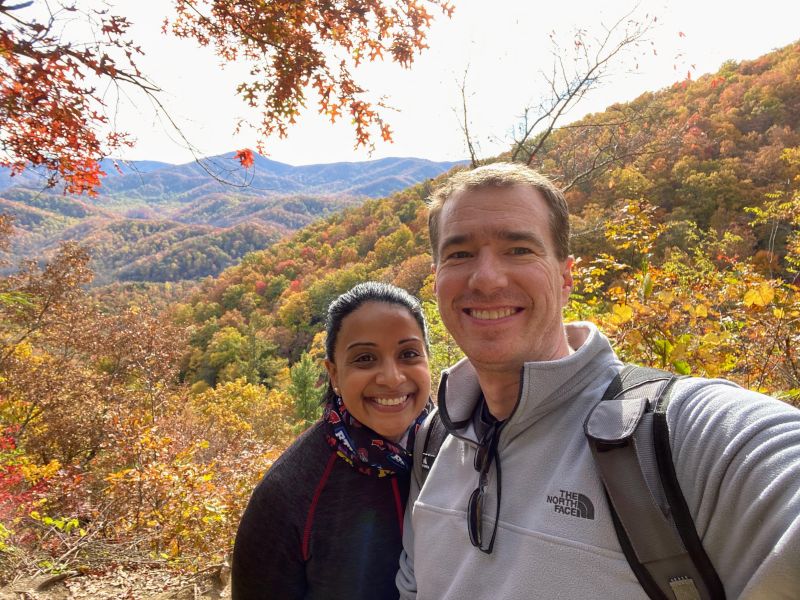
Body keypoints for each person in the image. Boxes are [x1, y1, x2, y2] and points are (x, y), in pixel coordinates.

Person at [396, 163, 800, 599]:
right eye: (459, 254)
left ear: (565, 277)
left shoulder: (664, 432)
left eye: (518, 249)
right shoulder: (434, 441)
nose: (487, 278)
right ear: (436, 279)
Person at [232, 281, 432, 599]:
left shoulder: (464, 452)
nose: (392, 378)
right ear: (334, 374)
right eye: (365, 358)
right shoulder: (289, 495)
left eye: (408, 354)